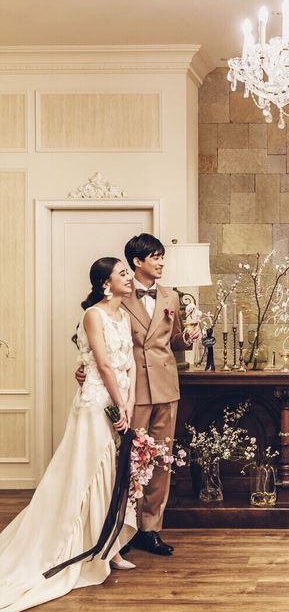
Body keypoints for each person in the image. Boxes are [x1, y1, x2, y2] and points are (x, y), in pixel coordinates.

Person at [0, 258, 137, 612]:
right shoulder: (93, 315)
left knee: (115, 474)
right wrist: (118, 403)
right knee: (90, 473)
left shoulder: (124, 315)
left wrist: (130, 403)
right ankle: (85, 549)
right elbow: (103, 365)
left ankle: (110, 546)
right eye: (123, 273)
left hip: (120, 401)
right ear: (106, 283)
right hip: (97, 403)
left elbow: (131, 363)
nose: (129, 277)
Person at [76, 234, 198, 557]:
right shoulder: (120, 295)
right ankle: (125, 527)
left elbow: (175, 340)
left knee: (161, 460)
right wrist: (84, 369)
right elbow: (93, 338)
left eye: (162, 256)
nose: (161, 262)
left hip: (166, 387)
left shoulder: (171, 297)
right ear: (137, 262)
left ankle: (150, 529)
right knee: (129, 460)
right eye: (155, 257)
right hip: (132, 391)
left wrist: (188, 338)